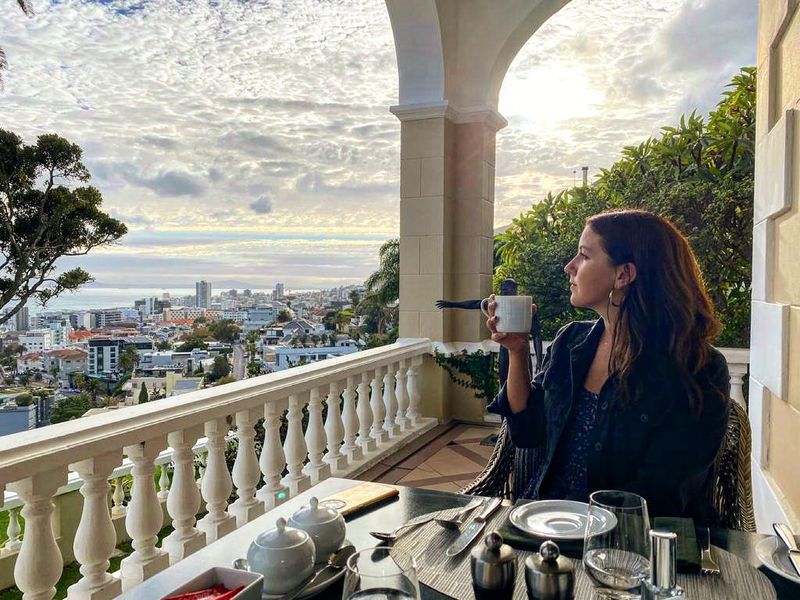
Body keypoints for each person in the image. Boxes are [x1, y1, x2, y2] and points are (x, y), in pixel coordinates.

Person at [486, 209, 730, 524]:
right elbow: (528, 432)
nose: (569, 267)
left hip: (633, 544)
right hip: (547, 522)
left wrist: (579, 529)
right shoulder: (571, 342)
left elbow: (662, 494)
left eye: (584, 256)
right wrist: (517, 352)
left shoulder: (697, 369)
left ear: (623, 275)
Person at [435, 278, 544, 381]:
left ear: (515, 288)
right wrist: (452, 304)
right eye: (503, 288)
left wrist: (539, 361)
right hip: (504, 349)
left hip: (522, 349)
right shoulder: (497, 303)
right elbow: (476, 304)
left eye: (508, 288)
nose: (504, 290)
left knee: (524, 379)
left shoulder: (524, 304)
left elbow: (537, 335)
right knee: (504, 380)